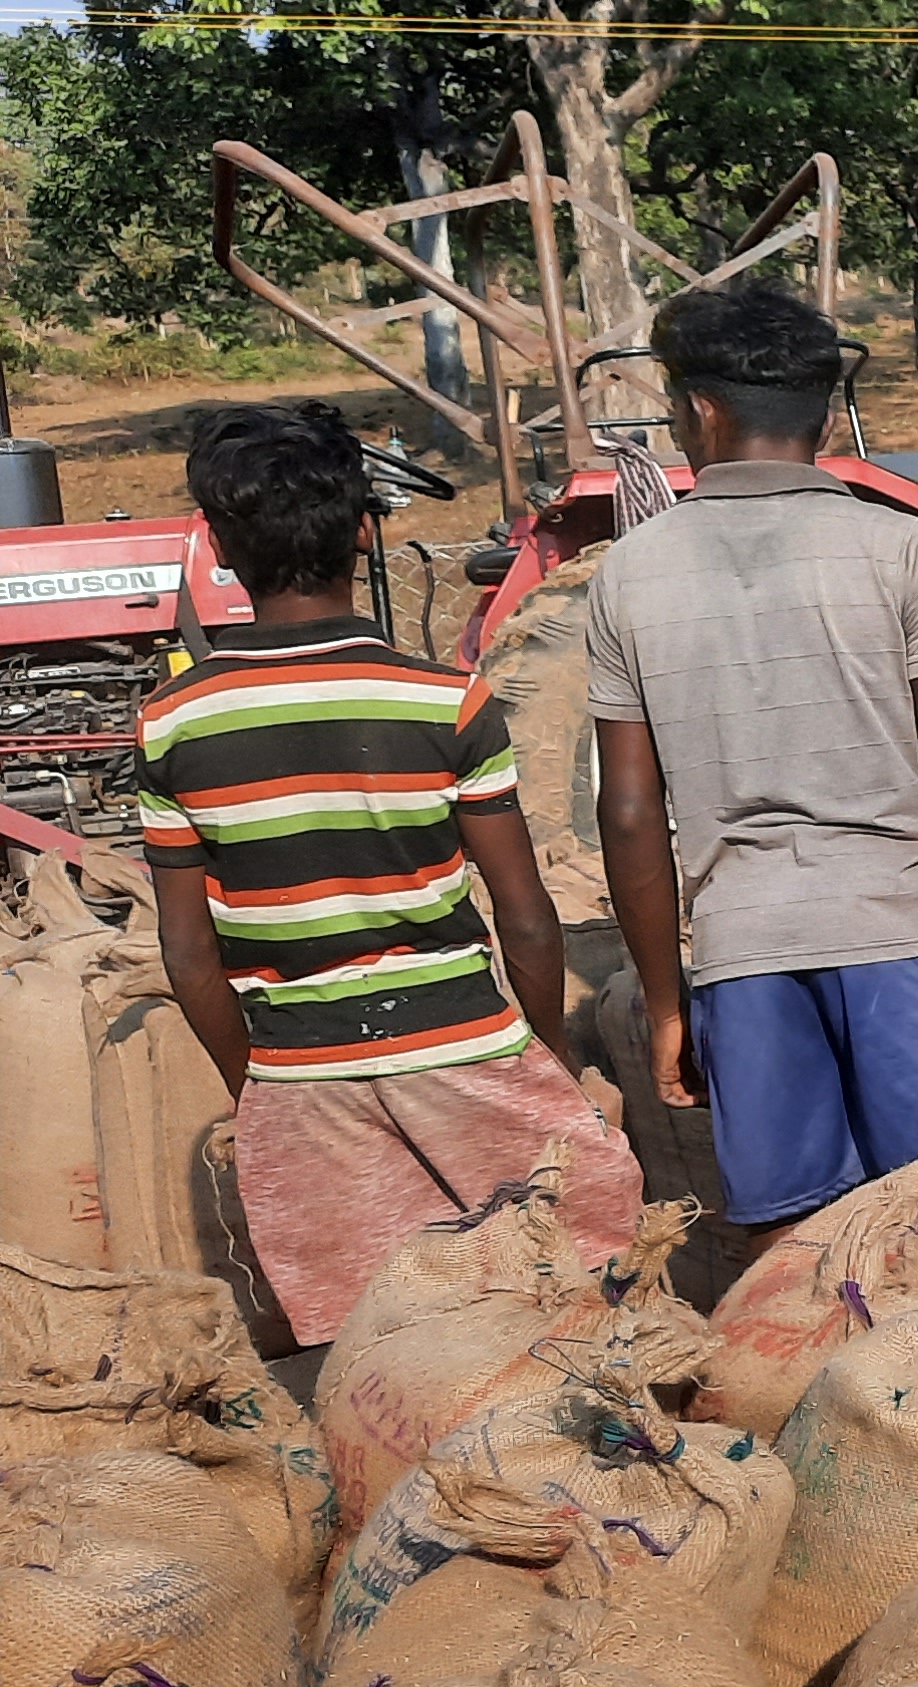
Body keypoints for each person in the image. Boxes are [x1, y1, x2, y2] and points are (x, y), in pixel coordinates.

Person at [593, 282, 918, 1270]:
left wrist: (668, 1004)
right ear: (824, 411)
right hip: (905, 938)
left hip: (744, 960)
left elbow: (627, 812)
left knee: (789, 1246)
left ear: (698, 410)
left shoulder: (630, 572)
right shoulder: (899, 549)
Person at [139, 401, 640, 1345]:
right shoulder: (446, 702)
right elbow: (527, 922)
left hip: (299, 1070)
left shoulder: (173, 723)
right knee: (574, 1307)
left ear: (219, 543)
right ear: (365, 528)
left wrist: (264, 1087)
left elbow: (189, 955)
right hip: (466, 1048)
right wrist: (547, 1062)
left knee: (377, 1354)